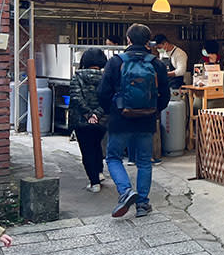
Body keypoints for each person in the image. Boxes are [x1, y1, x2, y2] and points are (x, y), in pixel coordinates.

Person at [98, 23, 170, 218]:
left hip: (120, 119)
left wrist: (112, 111)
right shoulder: (156, 63)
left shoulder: (115, 62)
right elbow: (165, 95)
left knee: (113, 158)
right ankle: (143, 204)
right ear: (148, 42)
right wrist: (153, 111)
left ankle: (126, 191)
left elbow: (103, 93)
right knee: (144, 162)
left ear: (128, 40)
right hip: (146, 120)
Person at [70, 47, 108, 193]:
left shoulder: (77, 76)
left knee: (87, 151)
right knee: (97, 146)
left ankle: (94, 183)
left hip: (81, 121)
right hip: (101, 121)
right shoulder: (105, 77)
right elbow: (107, 99)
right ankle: (99, 173)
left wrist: (87, 115)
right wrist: (96, 115)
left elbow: (76, 97)